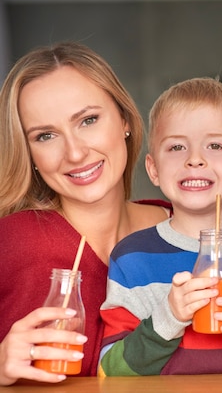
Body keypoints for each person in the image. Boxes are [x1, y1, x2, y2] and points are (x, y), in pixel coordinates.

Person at [0, 42, 170, 385]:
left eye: (88, 120)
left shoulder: (181, 229)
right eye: (45, 135)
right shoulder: (12, 240)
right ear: (28, 152)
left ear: (124, 119)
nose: (75, 153)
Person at [98, 77, 222, 376]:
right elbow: (110, 372)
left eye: (215, 145)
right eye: (176, 147)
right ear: (154, 169)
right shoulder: (132, 258)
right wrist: (167, 317)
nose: (195, 159)